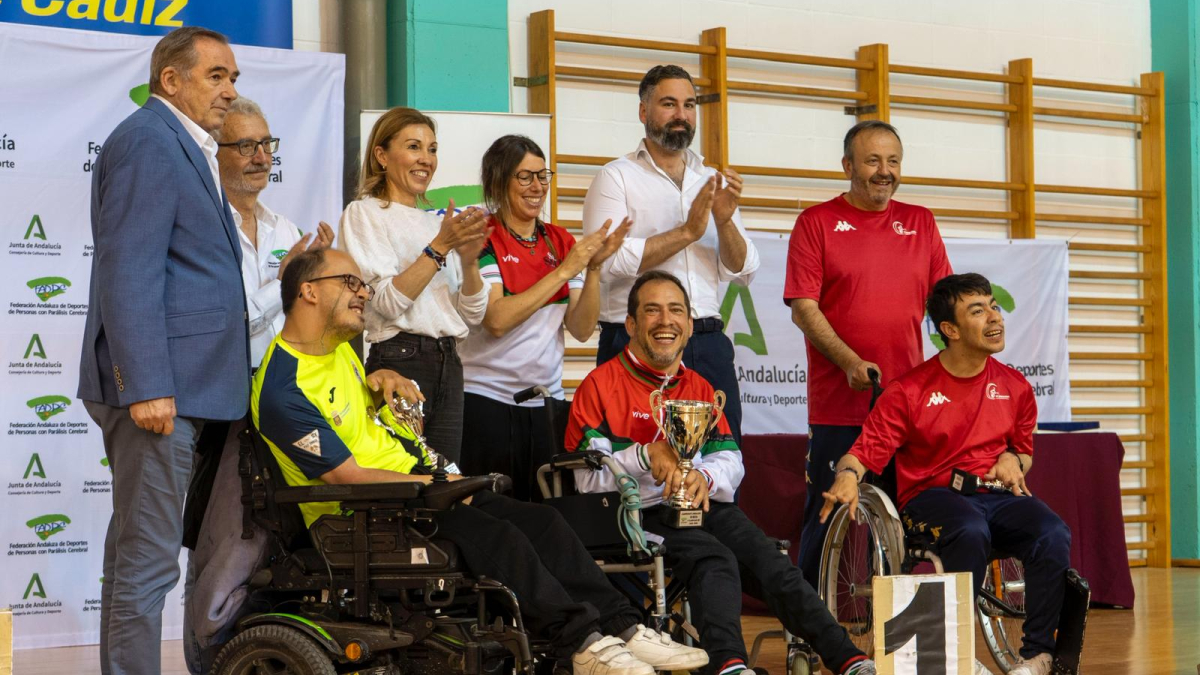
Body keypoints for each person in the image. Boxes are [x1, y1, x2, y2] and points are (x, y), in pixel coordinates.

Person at [253, 247, 710, 675]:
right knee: (497, 536)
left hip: (415, 493)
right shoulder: (281, 387)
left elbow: (350, 416)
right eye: (350, 282)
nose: (364, 292)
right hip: (366, 513)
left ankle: (624, 628)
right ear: (308, 291)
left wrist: (383, 376)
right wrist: (432, 487)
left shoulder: (339, 352)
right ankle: (583, 645)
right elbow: (344, 476)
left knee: (545, 522)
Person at [566, 271, 875, 675]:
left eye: (676, 310)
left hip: (699, 504)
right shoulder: (599, 383)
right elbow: (585, 478)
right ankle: (728, 665)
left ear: (690, 326)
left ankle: (846, 657)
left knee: (770, 559)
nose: (665, 321)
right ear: (630, 325)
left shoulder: (699, 386)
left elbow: (731, 459)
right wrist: (643, 456)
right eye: (652, 310)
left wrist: (704, 478)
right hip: (630, 515)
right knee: (713, 558)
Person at [76, 26, 247, 675]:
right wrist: (145, 381)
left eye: (234, 78)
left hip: (185, 385)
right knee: (146, 564)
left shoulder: (182, 143)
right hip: (159, 388)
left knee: (134, 560)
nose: (230, 90)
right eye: (216, 76)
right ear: (169, 79)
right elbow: (129, 269)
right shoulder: (150, 140)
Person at [819, 273, 1069, 675]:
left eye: (994, 305)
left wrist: (1013, 460)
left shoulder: (1016, 387)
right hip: (932, 499)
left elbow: (1023, 453)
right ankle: (953, 650)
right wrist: (848, 475)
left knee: (1052, 532)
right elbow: (863, 452)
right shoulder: (909, 391)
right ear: (949, 330)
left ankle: (1038, 655)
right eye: (978, 310)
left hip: (996, 497)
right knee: (969, 529)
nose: (994, 317)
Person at [181, 96, 335, 674]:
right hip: (223, 412)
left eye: (267, 145)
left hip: (287, 406)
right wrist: (286, 276)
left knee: (284, 547)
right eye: (245, 145)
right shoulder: (200, 223)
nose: (260, 157)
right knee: (225, 547)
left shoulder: (285, 228)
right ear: (214, 153)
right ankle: (209, 661)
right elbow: (222, 322)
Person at [786, 120, 953, 588]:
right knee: (826, 521)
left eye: (893, 161)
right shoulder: (815, 223)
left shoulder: (921, 221)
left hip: (906, 408)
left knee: (909, 525)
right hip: (839, 405)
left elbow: (947, 308)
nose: (885, 171)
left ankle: (900, 631)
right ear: (847, 166)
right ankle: (810, 630)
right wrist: (848, 362)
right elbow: (803, 308)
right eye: (873, 160)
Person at [582, 64, 758, 447]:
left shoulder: (711, 179)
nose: (682, 114)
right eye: (669, 104)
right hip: (635, 344)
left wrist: (725, 222)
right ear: (643, 112)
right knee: (635, 472)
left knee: (721, 465)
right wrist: (687, 233)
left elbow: (742, 268)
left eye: (689, 105)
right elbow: (607, 261)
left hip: (707, 342)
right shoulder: (616, 177)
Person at [458, 134, 630, 498]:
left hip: (545, 404)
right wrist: (564, 272)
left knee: (548, 519)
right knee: (493, 517)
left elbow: (582, 329)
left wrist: (594, 269)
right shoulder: (484, 237)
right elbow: (497, 319)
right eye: (524, 177)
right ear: (498, 181)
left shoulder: (560, 240)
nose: (537, 186)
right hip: (486, 403)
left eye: (543, 175)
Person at [339, 107, 490, 463]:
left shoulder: (434, 222)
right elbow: (386, 303)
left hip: (450, 362)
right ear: (381, 156)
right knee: (407, 482)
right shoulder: (365, 213)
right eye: (414, 147)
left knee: (446, 484)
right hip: (399, 360)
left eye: (432, 149)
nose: (426, 159)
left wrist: (469, 261)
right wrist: (440, 247)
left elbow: (473, 314)